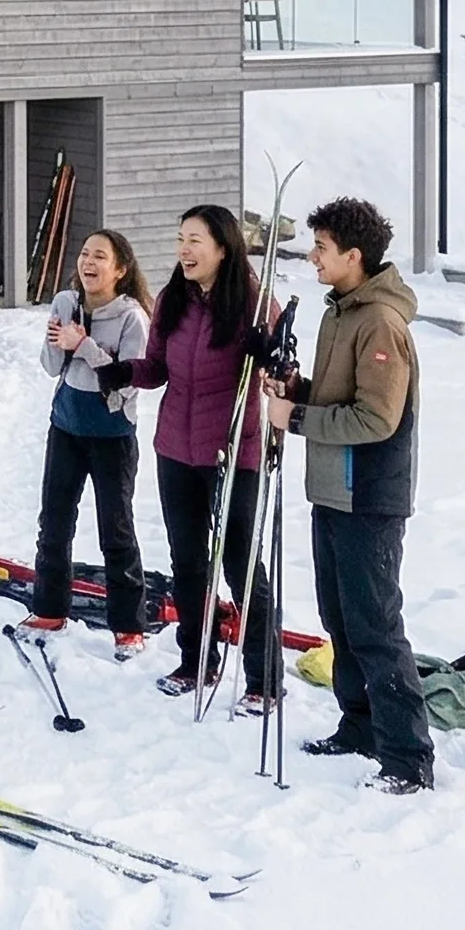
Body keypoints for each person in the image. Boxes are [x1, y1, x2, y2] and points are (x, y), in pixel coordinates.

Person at [265, 198, 436, 795]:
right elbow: (339, 396)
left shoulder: (380, 322)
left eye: (322, 248)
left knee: (375, 626)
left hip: (369, 496)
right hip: (333, 491)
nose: (312, 257)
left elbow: (375, 419)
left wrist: (295, 417)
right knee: (339, 617)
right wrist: (299, 390)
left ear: (353, 256)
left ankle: (408, 758)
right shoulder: (340, 312)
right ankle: (360, 726)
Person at [104, 205, 275, 701]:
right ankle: (196, 660)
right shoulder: (173, 298)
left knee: (240, 565)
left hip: (232, 452)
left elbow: (279, 368)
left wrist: (268, 350)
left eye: (195, 240)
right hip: (176, 450)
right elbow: (157, 366)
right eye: (181, 239)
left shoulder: (254, 303)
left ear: (223, 247)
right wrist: (124, 371)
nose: (184, 250)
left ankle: (263, 678)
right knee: (189, 563)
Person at [23, 229, 152, 660]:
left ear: (120, 269)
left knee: (116, 529)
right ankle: (49, 610)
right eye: (84, 254)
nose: (88, 263)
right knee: (54, 523)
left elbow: (128, 385)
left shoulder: (132, 318)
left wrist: (85, 346)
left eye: (100, 256)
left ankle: (129, 626)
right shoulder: (65, 302)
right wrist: (58, 342)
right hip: (66, 427)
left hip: (112, 436)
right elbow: (50, 367)